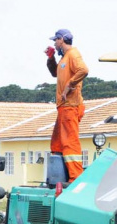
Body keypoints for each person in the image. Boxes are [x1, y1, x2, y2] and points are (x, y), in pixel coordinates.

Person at [46, 28, 88, 184]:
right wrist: (51, 58)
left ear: (61, 39)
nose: (55, 44)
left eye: (55, 41)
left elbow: (83, 70)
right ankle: (58, 175)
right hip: (63, 107)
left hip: (71, 106)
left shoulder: (73, 54)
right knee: (57, 143)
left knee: (69, 142)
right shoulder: (64, 58)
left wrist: (70, 85)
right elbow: (55, 74)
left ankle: (75, 177)